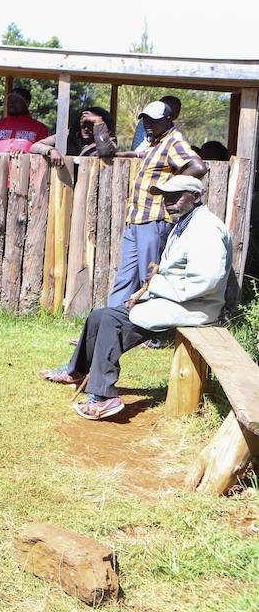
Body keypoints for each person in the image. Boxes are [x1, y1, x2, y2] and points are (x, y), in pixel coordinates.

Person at [39, 175, 229, 419]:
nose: (168, 201)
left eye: (176, 196)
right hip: (175, 301)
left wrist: (155, 291)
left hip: (195, 307)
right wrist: (146, 294)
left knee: (112, 320)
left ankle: (104, 397)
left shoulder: (206, 229)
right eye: (165, 197)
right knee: (99, 316)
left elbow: (206, 281)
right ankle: (78, 371)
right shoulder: (185, 222)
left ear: (195, 197)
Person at [109, 100, 207, 306]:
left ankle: (150, 336)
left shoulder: (174, 140)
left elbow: (198, 166)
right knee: (124, 279)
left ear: (168, 119)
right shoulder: (156, 142)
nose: (148, 124)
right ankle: (108, 330)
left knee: (150, 279)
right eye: (145, 119)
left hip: (155, 218)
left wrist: (170, 187)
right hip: (137, 219)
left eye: (154, 120)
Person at [28, 106, 117, 165]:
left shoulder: (109, 141)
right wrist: (51, 150)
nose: (86, 129)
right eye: (84, 125)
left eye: (91, 126)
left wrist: (98, 122)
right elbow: (35, 146)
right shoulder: (67, 135)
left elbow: (105, 152)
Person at [0, 86, 50, 153]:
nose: (11, 104)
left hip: (24, 168)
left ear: (26, 104)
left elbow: (42, 151)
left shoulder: (40, 128)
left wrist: (25, 154)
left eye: (17, 101)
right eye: (10, 101)